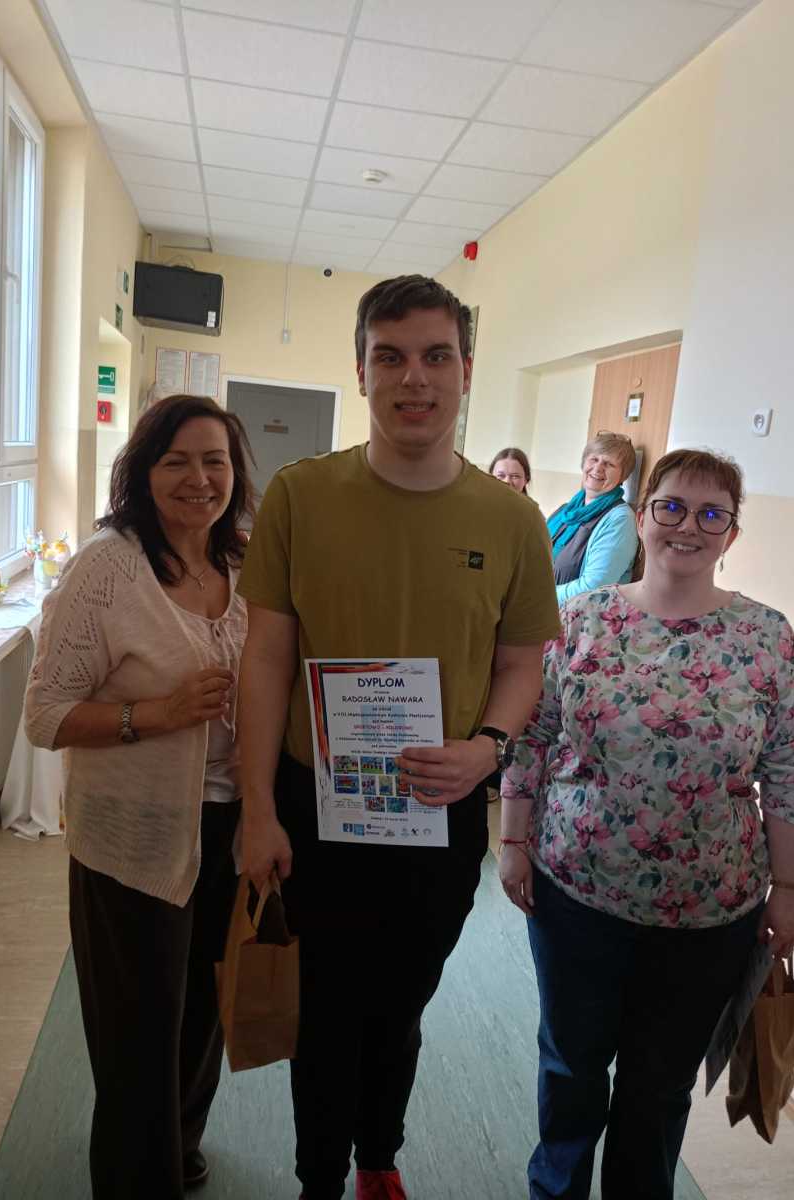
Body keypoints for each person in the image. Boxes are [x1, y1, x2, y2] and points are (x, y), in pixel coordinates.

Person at [235, 274, 562, 1200]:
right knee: (324, 1006)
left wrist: (488, 748)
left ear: (466, 371)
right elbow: (265, 660)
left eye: (435, 356)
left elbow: (522, 663)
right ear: (361, 370)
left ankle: (378, 1154)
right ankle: (319, 1177)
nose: (413, 378)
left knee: (402, 1002)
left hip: (440, 806)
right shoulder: (301, 496)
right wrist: (257, 809)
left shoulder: (512, 519)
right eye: (390, 357)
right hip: (315, 804)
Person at [499, 448, 794, 1200]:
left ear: (732, 533)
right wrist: (511, 841)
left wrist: (789, 889)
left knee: (659, 1087)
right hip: (577, 893)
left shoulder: (768, 638)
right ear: (642, 518)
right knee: (571, 1067)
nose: (688, 526)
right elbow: (533, 737)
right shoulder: (580, 619)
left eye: (711, 514)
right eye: (671, 506)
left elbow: (792, 771)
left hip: (711, 914)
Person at [24, 394, 255, 1200]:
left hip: (230, 829)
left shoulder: (245, 562)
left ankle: (179, 1147)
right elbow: (45, 715)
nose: (199, 479)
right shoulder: (108, 568)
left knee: (203, 1017)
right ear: (143, 472)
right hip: (133, 836)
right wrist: (156, 714)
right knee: (137, 1036)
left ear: (236, 473)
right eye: (176, 461)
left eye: (215, 461)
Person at [546, 430, 639, 603]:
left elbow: (593, 587)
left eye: (609, 464)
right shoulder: (566, 510)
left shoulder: (620, 520)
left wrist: (536, 595)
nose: (598, 468)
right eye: (594, 459)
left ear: (623, 476)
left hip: (575, 614)